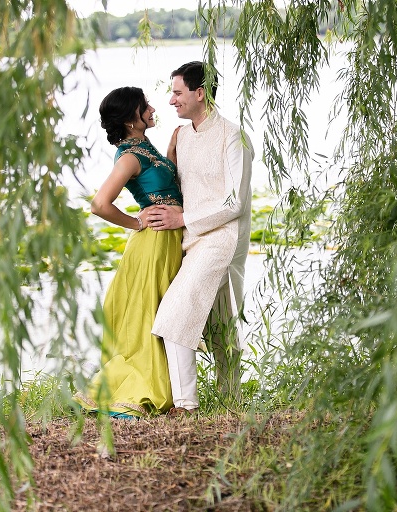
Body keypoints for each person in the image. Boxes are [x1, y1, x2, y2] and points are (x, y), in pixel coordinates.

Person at [146, 61, 253, 416]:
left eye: (177, 92)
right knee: (220, 322)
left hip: (223, 239)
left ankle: (186, 406)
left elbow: (233, 202)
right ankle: (231, 400)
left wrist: (183, 218)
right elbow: (180, 185)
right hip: (194, 240)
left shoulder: (232, 136)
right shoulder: (183, 135)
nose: (172, 100)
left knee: (175, 314)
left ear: (200, 93)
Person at [74, 86, 183, 419]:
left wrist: (172, 152)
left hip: (167, 239)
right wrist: (136, 222)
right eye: (143, 105)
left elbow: (164, 184)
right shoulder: (130, 156)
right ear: (130, 118)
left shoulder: (143, 146)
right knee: (152, 316)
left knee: (165, 311)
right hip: (153, 243)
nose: (152, 108)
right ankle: (140, 390)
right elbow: (98, 205)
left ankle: (178, 387)